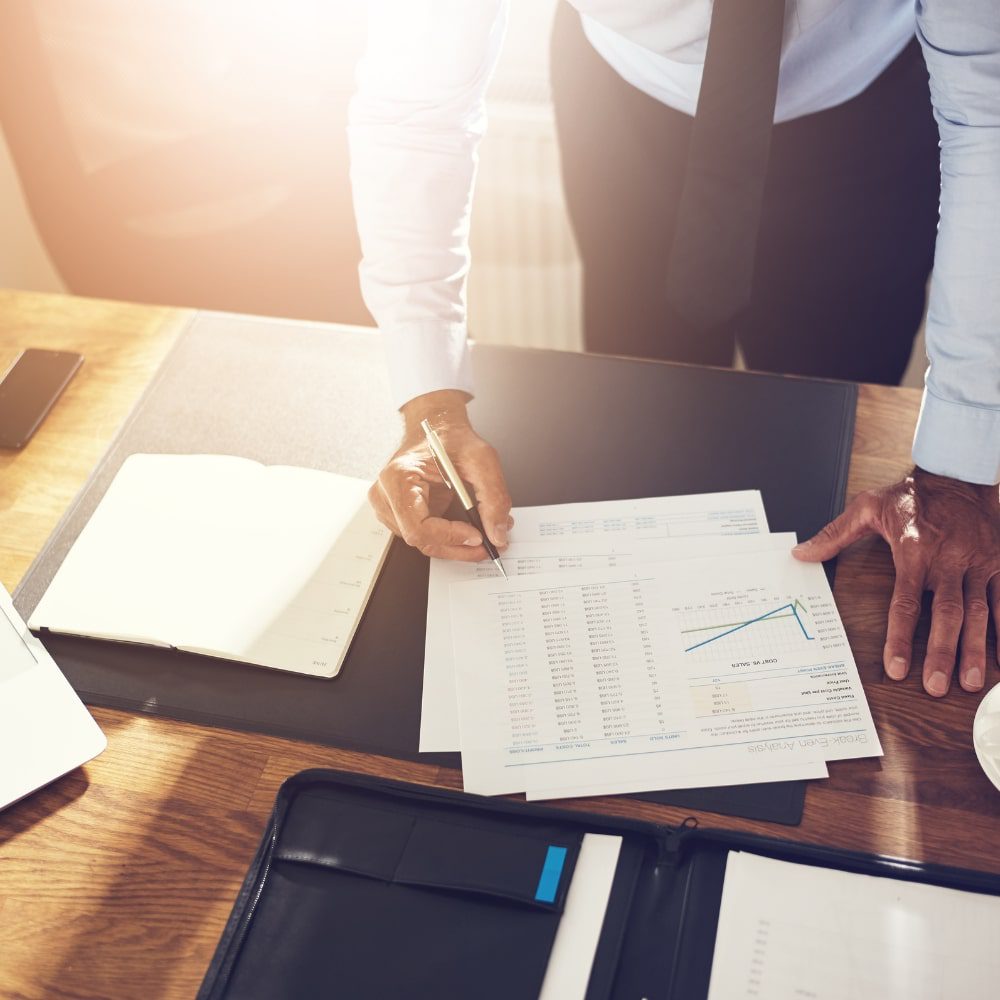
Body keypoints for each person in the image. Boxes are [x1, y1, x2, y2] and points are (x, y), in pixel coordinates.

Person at [348, 1, 1000, 699]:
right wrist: (430, 401)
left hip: (865, 120)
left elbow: (989, 112)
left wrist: (959, 470)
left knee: (834, 459)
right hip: (627, 109)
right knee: (635, 432)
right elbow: (415, 103)